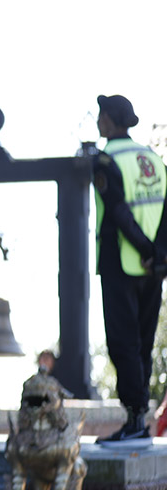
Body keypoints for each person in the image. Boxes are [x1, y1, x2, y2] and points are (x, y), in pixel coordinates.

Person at [91, 94, 167, 443]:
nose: (98, 121)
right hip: (154, 268)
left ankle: (135, 419)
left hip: (122, 262)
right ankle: (140, 418)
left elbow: (119, 211)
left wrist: (145, 250)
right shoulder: (152, 157)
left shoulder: (106, 160)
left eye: (100, 115)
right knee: (144, 341)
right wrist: (159, 254)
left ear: (108, 119)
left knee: (123, 341)